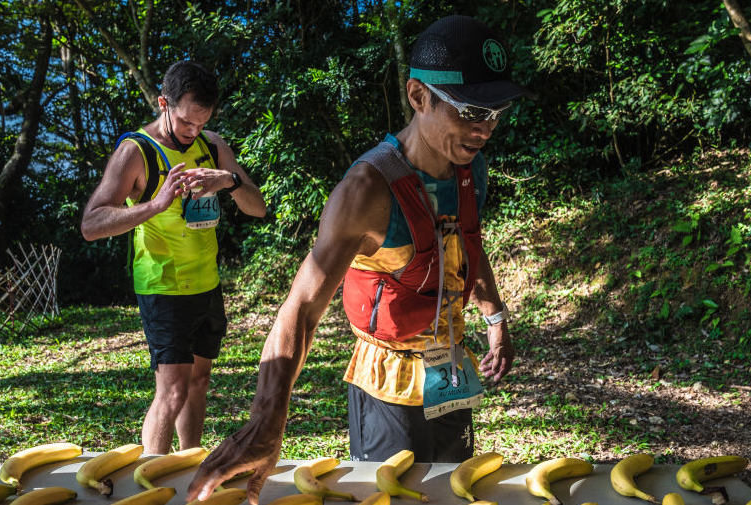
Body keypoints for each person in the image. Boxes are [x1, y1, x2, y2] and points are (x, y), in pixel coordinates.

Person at [187, 15, 526, 503]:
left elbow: (465, 245)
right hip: (386, 379)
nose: (485, 129)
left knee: (456, 493)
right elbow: (300, 308)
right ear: (417, 96)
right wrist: (266, 420)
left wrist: (495, 316)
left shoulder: (470, 168)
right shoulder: (367, 191)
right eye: (471, 110)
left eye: (497, 111)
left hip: (449, 367)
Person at [80, 61, 267, 455]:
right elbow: (92, 224)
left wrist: (228, 181)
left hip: (207, 284)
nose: (193, 132)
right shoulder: (136, 151)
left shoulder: (212, 145)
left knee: (199, 383)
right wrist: (156, 203)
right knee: (173, 390)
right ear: (163, 103)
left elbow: (258, 208)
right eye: (185, 123)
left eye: (201, 123)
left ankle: (187, 464)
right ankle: (152, 475)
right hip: (163, 287)